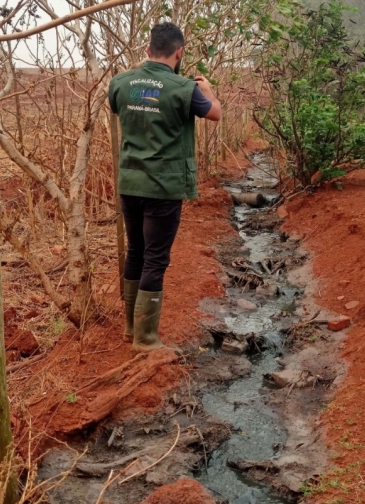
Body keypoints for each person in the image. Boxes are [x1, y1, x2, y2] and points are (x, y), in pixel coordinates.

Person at [108, 21, 221, 353]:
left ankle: (131, 329)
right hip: (164, 186)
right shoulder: (185, 88)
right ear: (179, 52)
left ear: (147, 50)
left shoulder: (120, 83)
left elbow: (118, 108)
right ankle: (146, 339)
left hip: (130, 182)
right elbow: (215, 114)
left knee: (136, 251)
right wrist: (209, 91)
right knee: (156, 257)